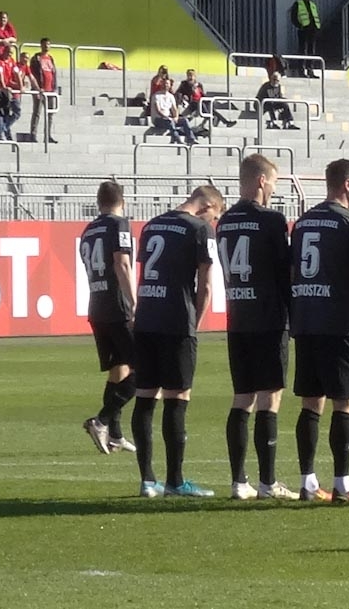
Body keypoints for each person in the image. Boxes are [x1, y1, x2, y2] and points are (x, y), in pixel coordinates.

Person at [130, 185, 225, 498]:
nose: (213, 222)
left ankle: (147, 480)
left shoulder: (152, 225)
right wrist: (194, 325)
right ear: (207, 206)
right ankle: (175, 480)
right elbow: (206, 286)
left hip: (146, 318)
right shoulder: (200, 229)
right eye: (215, 216)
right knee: (177, 397)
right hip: (176, 320)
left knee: (145, 397)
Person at [291, 159, 349, 503]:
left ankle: (308, 483)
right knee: (345, 402)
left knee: (311, 402)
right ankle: (342, 484)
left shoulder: (303, 222)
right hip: (339, 323)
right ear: (347, 184)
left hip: (306, 320)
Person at [215, 155, 297, 501]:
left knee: (242, 398)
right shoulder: (271, 220)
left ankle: (238, 482)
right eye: (273, 182)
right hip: (268, 317)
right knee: (270, 398)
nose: (274, 189)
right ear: (262, 180)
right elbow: (284, 271)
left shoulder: (224, 221)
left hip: (238, 318)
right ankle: (268, 482)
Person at [80, 181, 138, 456]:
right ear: (122, 202)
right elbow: (121, 263)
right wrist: (134, 302)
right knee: (146, 370)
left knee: (118, 369)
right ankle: (102, 420)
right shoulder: (119, 224)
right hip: (118, 306)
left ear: (98, 202)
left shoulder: (88, 230)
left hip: (97, 306)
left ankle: (114, 435)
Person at [29, 37, 59, 143]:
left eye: (48, 44)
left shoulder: (51, 58)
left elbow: (53, 73)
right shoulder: (36, 58)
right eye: (45, 44)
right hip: (40, 90)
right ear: (41, 45)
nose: (46, 46)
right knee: (37, 112)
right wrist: (36, 88)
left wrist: (55, 87)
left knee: (50, 114)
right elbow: (32, 74)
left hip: (50, 90)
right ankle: (33, 134)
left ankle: (48, 135)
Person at [290, 0, 321, 77]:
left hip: (312, 30)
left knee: (311, 51)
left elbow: (315, 16)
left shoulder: (312, 4)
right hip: (303, 30)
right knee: (302, 50)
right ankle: (301, 71)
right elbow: (293, 17)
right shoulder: (298, 4)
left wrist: (317, 27)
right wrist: (300, 26)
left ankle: (310, 70)